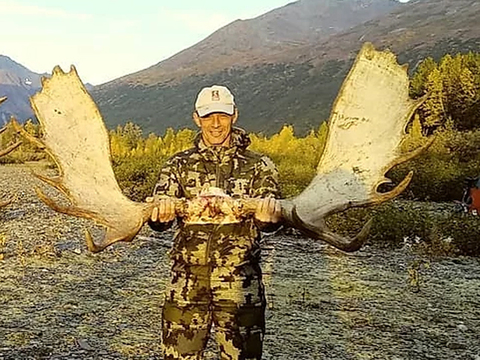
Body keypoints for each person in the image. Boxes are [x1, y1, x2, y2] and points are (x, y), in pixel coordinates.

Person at [148, 84, 282, 360]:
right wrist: (159, 217)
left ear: (234, 115)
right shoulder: (177, 165)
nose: (216, 124)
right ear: (196, 118)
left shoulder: (260, 166)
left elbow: (271, 222)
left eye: (222, 115)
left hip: (240, 284)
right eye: (208, 116)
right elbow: (159, 221)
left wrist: (269, 219)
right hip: (186, 283)